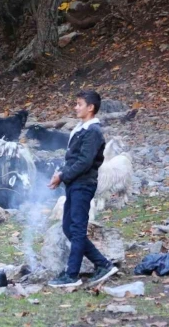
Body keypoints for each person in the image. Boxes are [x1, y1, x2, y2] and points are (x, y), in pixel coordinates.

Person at [47, 90, 118, 287]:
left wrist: (63, 175)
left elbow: (84, 162)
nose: (75, 107)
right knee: (68, 227)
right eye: (76, 103)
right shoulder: (81, 129)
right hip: (74, 184)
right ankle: (103, 264)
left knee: (77, 229)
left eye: (79, 104)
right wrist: (61, 174)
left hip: (83, 184)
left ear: (91, 107)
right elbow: (72, 159)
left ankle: (72, 275)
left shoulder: (93, 132)